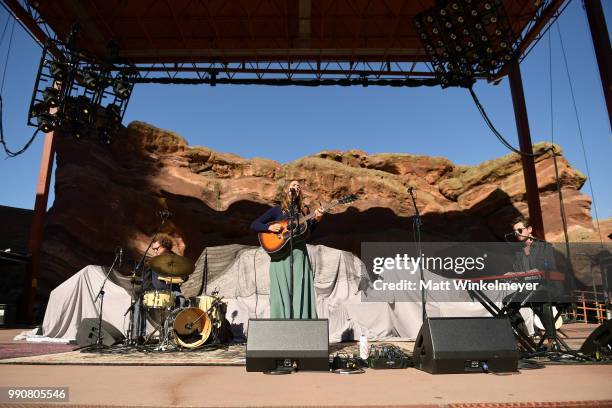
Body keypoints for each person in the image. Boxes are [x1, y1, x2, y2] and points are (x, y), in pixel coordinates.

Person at [250, 180, 324, 319]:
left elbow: (308, 232)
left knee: (299, 287)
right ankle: (281, 323)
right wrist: (269, 227)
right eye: (293, 185)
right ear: (287, 190)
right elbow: (254, 224)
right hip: (280, 256)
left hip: (299, 253)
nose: (296, 187)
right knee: (282, 288)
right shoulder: (277, 210)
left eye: (298, 186)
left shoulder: (304, 210)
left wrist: (317, 220)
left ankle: (301, 321)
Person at [503, 217, 562, 343]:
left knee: (541, 299)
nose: (517, 234)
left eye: (520, 230)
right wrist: (511, 274)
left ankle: (552, 340)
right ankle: (524, 339)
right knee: (508, 303)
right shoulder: (518, 251)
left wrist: (530, 272)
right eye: (515, 232)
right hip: (527, 290)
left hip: (546, 288)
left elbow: (551, 269)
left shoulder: (544, 247)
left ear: (529, 229)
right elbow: (518, 271)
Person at [133, 233, 187, 341]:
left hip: (173, 292)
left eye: (157, 248)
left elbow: (185, 276)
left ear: (165, 247)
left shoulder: (176, 260)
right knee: (138, 304)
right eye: (153, 249)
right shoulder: (151, 261)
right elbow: (146, 282)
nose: (155, 251)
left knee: (181, 300)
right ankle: (138, 336)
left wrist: (180, 277)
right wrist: (148, 293)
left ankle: (176, 334)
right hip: (155, 292)